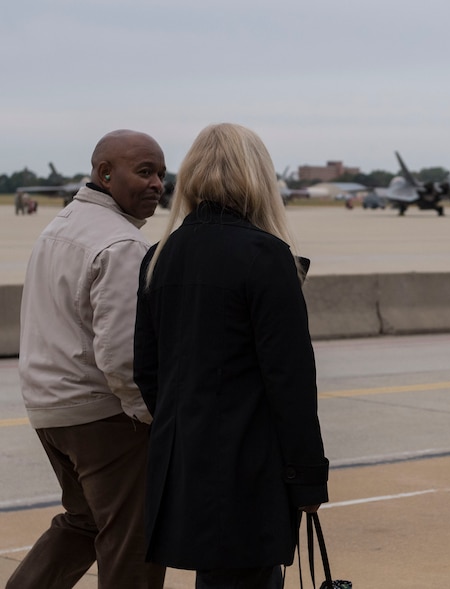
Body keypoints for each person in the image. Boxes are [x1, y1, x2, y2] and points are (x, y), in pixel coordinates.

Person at [133, 123, 328, 589]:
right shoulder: (266, 256)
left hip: (185, 461)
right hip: (250, 468)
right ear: (257, 176)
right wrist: (307, 480)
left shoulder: (160, 256)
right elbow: (291, 383)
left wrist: (188, 429)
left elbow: (147, 370)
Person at [11, 130, 167, 588]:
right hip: (102, 417)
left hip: (48, 407)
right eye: (144, 172)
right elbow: (123, 355)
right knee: (133, 541)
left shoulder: (60, 227)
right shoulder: (121, 246)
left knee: (84, 521)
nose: (157, 183)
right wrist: (148, 415)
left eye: (160, 173)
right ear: (104, 173)